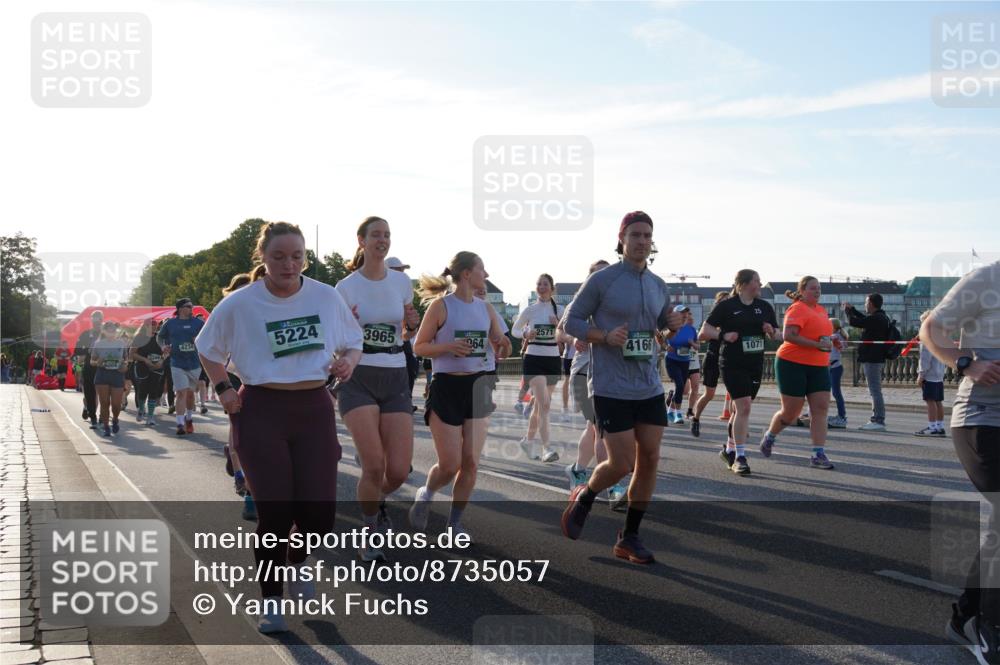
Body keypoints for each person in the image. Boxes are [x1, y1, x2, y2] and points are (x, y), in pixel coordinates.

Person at [196, 221, 363, 634]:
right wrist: (223, 389)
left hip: (314, 408)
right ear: (263, 259)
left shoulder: (326, 297)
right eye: (279, 257)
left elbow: (353, 341)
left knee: (319, 519)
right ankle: (271, 603)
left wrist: (348, 363)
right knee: (275, 514)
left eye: (297, 256)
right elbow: (207, 348)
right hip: (262, 410)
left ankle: (298, 563)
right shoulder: (240, 303)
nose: (289, 265)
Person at [561, 211, 682, 564]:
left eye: (647, 235)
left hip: (648, 384)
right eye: (636, 235)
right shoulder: (603, 280)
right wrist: (604, 336)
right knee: (622, 462)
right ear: (622, 239)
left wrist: (671, 325)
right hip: (611, 384)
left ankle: (629, 536)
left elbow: (661, 328)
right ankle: (586, 495)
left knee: (650, 458)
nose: (642, 241)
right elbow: (572, 322)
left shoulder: (658, 284)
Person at [920, 262, 1000, 663]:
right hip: (982, 419)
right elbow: (930, 329)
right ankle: (989, 628)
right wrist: (967, 362)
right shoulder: (988, 279)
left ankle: (966, 614)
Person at [335, 217, 421, 562]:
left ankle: (375, 498)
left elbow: (406, 328)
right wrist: (351, 326)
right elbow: (336, 338)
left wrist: (411, 325)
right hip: (359, 376)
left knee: (398, 470)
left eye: (387, 235)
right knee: (373, 465)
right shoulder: (345, 287)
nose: (382, 240)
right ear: (361, 241)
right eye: (376, 235)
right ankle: (369, 529)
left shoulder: (402, 283)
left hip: (396, 373)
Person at [409, 252, 511, 541]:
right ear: (467, 274)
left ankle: (454, 524)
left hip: (479, 387)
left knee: (471, 462)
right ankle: (426, 494)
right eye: (482, 269)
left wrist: (502, 344)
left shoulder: (486, 309)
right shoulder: (442, 307)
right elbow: (420, 347)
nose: (486, 275)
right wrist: (449, 347)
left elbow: (504, 348)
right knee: (450, 463)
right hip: (447, 389)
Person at [699, 269, 780, 476]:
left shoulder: (764, 307)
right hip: (732, 363)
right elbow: (704, 332)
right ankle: (740, 457)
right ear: (743, 284)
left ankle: (729, 449)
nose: (760, 284)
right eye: (756, 281)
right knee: (743, 407)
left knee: (740, 410)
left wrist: (771, 330)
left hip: (755, 364)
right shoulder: (727, 306)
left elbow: (778, 334)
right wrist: (723, 335)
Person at [759, 277, 838, 470]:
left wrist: (830, 341)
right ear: (802, 291)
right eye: (813, 288)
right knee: (791, 412)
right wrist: (817, 344)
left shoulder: (821, 310)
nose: (817, 291)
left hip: (819, 365)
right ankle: (770, 436)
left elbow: (820, 335)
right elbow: (789, 336)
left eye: (819, 288)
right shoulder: (796, 308)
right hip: (792, 363)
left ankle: (818, 453)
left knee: (821, 409)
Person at [512, 274, 565, 463]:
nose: (541, 287)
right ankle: (547, 449)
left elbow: (566, 333)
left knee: (540, 406)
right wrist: (526, 333)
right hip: (533, 358)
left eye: (545, 284)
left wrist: (557, 324)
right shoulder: (530, 310)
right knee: (544, 404)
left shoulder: (560, 309)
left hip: (552, 359)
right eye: (539, 284)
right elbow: (515, 330)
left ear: (552, 288)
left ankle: (528, 440)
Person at [158, 298, 206, 436]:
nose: (191, 309)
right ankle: (179, 424)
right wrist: (163, 346)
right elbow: (160, 337)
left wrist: (198, 339)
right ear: (180, 309)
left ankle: (189, 419)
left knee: (190, 395)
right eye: (188, 307)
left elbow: (209, 336)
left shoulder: (198, 323)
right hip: (177, 363)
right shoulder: (170, 323)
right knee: (181, 392)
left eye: (192, 306)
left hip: (194, 363)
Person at [843, 293, 891, 431]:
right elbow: (865, 319)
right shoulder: (881, 317)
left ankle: (878, 419)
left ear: (870, 304)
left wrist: (848, 312)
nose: (865, 305)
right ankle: (877, 418)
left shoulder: (877, 318)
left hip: (873, 358)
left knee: (875, 390)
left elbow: (855, 322)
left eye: (865, 303)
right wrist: (853, 310)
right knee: (874, 390)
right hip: (875, 358)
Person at [692, 291, 729, 437]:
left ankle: (737, 425)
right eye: (724, 301)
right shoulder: (712, 320)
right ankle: (696, 418)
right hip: (713, 358)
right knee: (709, 394)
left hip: (728, 360)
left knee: (735, 394)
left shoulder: (734, 319)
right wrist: (718, 332)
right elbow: (701, 337)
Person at [387, 256, 421, 408]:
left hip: (400, 338)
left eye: (403, 270)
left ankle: (406, 399)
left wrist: (412, 325)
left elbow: (409, 329)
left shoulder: (403, 289)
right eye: (399, 270)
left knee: (411, 365)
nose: (403, 273)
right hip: (378, 345)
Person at [90, 321, 129, 436]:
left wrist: (125, 366)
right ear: (104, 331)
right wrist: (98, 362)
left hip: (117, 375)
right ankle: (106, 426)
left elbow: (126, 359)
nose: (111, 331)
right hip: (102, 374)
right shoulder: (98, 344)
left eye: (113, 329)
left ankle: (115, 419)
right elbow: (92, 361)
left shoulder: (121, 343)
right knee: (104, 403)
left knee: (116, 405)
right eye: (109, 329)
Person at [663, 305, 697, 425]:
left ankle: (670, 411)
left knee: (681, 388)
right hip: (671, 360)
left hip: (685, 361)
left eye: (686, 313)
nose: (684, 315)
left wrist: (693, 344)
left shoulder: (691, 329)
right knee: (680, 384)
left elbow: (697, 346)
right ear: (676, 315)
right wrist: (666, 346)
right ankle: (678, 414)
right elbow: (660, 338)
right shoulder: (670, 327)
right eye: (682, 312)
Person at [915, 310, 947, 437]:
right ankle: (940, 426)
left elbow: (925, 361)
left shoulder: (926, 340)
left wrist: (921, 375)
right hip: (939, 375)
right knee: (938, 401)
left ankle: (932, 426)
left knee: (930, 401)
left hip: (930, 375)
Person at [131, 320, 168, 427]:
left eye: (155, 325)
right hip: (142, 367)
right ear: (145, 326)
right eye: (151, 325)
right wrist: (145, 360)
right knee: (142, 390)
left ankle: (150, 417)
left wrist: (161, 361)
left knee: (153, 391)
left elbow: (166, 352)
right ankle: (141, 409)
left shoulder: (160, 338)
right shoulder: (139, 337)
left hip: (157, 367)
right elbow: (132, 354)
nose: (154, 327)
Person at [75, 310, 105, 428]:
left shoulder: (106, 333)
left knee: (101, 394)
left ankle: (102, 417)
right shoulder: (85, 334)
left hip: (104, 368)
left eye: (99, 319)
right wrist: (87, 351)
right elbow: (77, 351)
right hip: (89, 367)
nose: (97, 322)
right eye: (94, 319)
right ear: (91, 321)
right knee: (90, 394)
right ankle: (92, 415)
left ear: (102, 320)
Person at [827, 318, 848, 429]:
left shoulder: (838, 336)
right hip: (827, 367)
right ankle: (813, 413)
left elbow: (843, 347)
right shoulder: (829, 335)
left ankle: (842, 416)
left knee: (836, 392)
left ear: (834, 326)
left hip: (835, 368)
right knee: (821, 392)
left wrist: (836, 342)